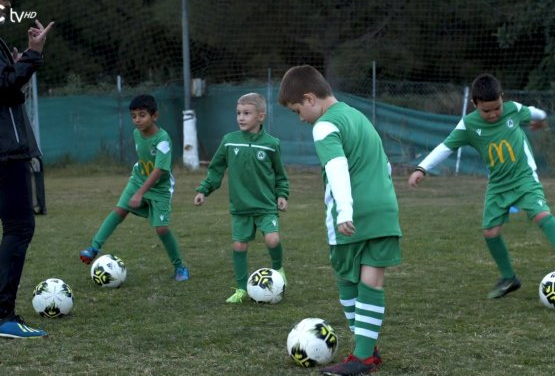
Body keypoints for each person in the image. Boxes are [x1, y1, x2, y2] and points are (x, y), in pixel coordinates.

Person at [408, 73, 555, 299]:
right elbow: (446, 147)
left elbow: (537, 112)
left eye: (496, 108)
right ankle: (509, 278)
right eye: (486, 111)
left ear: (502, 98)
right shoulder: (468, 124)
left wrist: (541, 119)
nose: (493, 114)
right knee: (490, 232)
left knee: (540, 214)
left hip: (524, 178)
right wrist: (422, 168)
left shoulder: (513, 110)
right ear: (474, 104)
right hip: (498, 185)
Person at [279, 65, 402, 376]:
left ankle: (362, 357)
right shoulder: (357, 116)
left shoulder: (324, 126)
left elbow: (336, 167)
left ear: (309, 99)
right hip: (385, 208)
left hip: (353, 213)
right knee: (372, 280)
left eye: (297, 111)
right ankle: (366, 353)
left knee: (348, 279)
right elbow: (384, 164)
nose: (300, 118)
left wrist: (345, 209)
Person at [79, 95, 189, 282]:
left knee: (161, 229)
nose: (137, 120)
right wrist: (137, 188)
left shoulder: (163, 139)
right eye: (133, 116)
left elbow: (159, 171)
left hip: (160, 188)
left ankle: (180, 267)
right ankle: (93, 249)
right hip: (138, 180)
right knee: (119, 211)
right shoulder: (137, 133)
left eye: (142, 115)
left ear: (155, 116)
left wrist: (140, 194)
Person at [194, 93, 289, 303]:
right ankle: (241, 289)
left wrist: (282, 195)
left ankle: (278, 269)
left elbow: (280, 175)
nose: (241, 117)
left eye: (247, 113)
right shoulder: (229, 141)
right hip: (241, 207)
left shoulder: (271, 144)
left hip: (265, 206)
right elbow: (216, 169)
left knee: (272, 239)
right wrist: (204, 190)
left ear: (261, 117)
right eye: (238, 113)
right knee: (239, 246)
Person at [0, 0, 54, 339]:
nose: (6, 4)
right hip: (5, 153)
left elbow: (10, 92)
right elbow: (4, 88)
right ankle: (3, 316)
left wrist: (22, 63)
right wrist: (32, 56)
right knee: (19, 228)